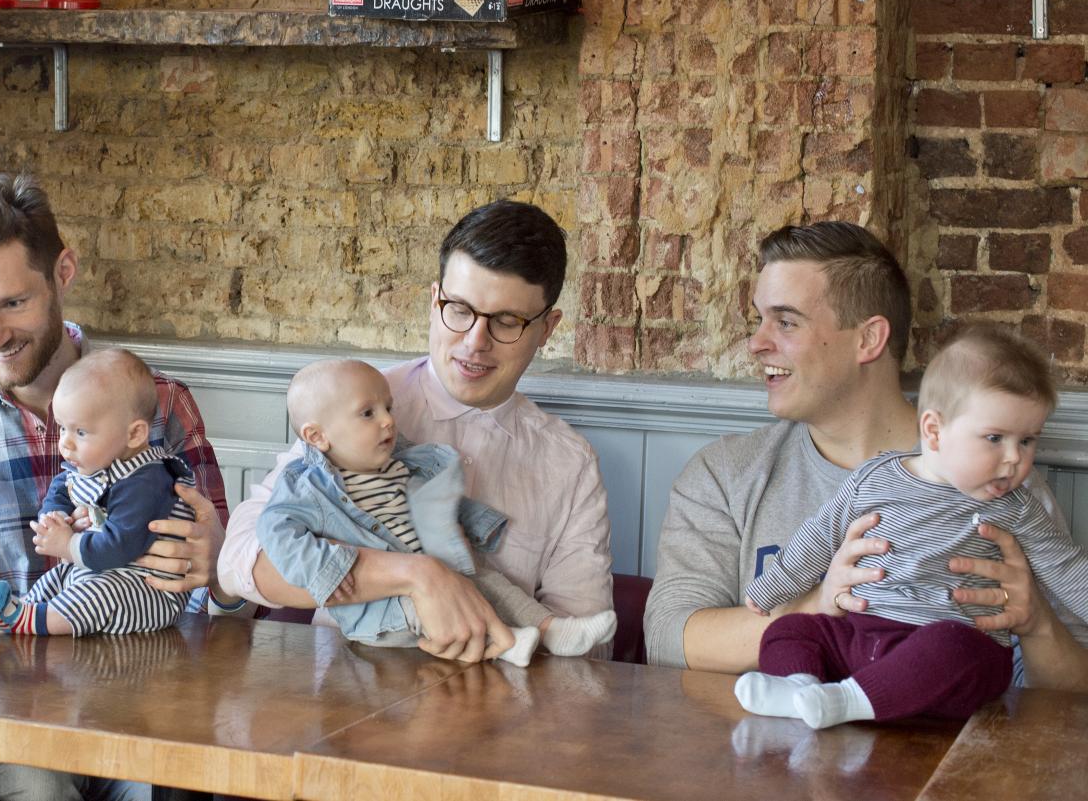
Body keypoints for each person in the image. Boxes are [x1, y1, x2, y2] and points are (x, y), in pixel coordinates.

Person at [645, 221, 1088, 691]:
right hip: (772, 753)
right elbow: (669, 636)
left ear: (868, 339)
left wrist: (1036, 624)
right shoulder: (725, 474)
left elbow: (1074, 694)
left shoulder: (999, 481)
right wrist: (820, 608)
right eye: (759, 319)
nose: (757, 342)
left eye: (786, 321)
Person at [0, 173, 231, 801]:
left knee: (171, 780)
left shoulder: (161, 406)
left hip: (143, 705)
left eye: (12, 304)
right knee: (41, 784)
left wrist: (222, 573)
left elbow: (215, 606)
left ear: (64, 273)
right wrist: (39, 623)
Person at [218, 200, 614, 664]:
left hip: (499, 709)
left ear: (547, 328)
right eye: (459, 309)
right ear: (434, 299)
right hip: (345, 689)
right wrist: (418, 575)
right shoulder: (354, 403)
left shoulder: (569, 463)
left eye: (506, 321)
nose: (474, 341)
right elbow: (241, 561)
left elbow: (584, 646)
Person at [734, 324, 1088, 728]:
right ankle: (800, 688)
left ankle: (847, 700)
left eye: (1027, 441)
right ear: (934, 431)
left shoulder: (1015, 506)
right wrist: (770, 588)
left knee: (956, 646)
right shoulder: (875, 479)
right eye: (995, 438)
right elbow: (818, 536)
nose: (1014, 459)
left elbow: (1068, 569)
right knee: (791, 629)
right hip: (865, 638)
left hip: (948, 658)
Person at [257, 358, 617, 665]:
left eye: (388, 408)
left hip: (444, 573)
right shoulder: (309, 486)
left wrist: (476, 527)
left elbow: (447, 504)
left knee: (491, 582)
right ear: (317, 436)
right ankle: (505, 643)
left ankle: (552, 631)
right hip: (383, 609)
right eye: (368, 413)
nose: (387, 421)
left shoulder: (402, 463)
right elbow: (274, 531)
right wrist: (328, 567)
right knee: (438, 606)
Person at [0, 349, 194, 636]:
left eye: (80, 432)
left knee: (100, 592)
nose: (66, 445)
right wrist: (55, 518)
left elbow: (121, 547)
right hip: (103, 570)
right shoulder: (92, 465)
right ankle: (22, 610)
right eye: (63, 429)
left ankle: (32, 621)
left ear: (134, 434)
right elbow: (62, 488)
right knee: (58, 577)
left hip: (146, 590)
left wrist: (68, 545)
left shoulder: (147, 482)